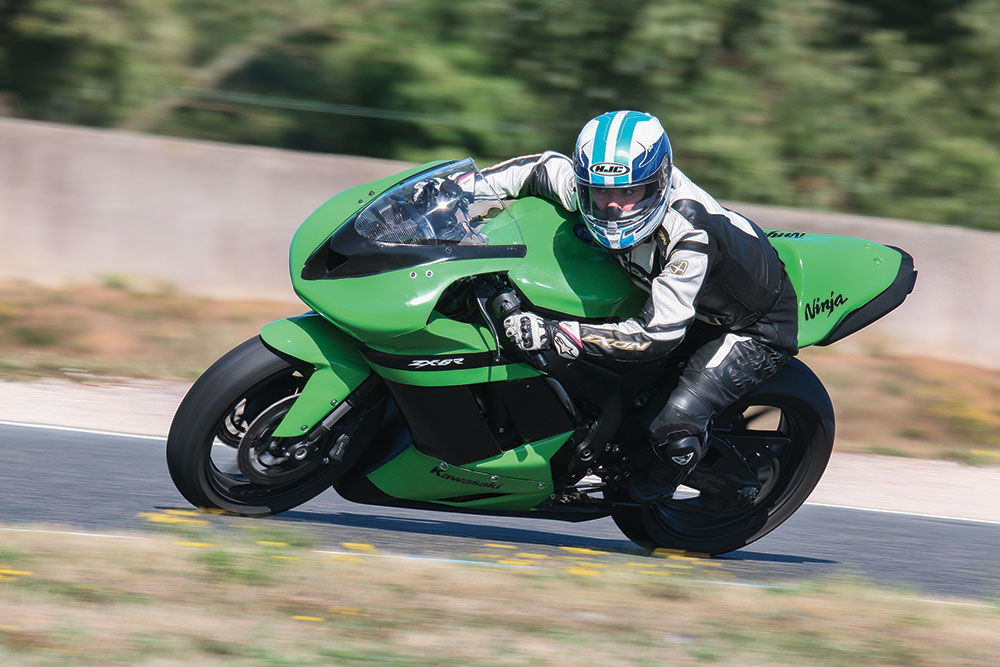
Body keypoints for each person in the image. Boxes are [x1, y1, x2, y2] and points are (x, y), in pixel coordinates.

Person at [484, 110, 799, 503]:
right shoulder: (593, 189)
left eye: (628, 193)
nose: (613, 206)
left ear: (659, 182)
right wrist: (462, 187)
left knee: (671, 425)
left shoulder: (690, 235)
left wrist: (555, 333)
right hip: (670, 296)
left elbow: (655, 335)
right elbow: (538, 170)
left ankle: (677, 478)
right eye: (601, 192)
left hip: (749, 325)